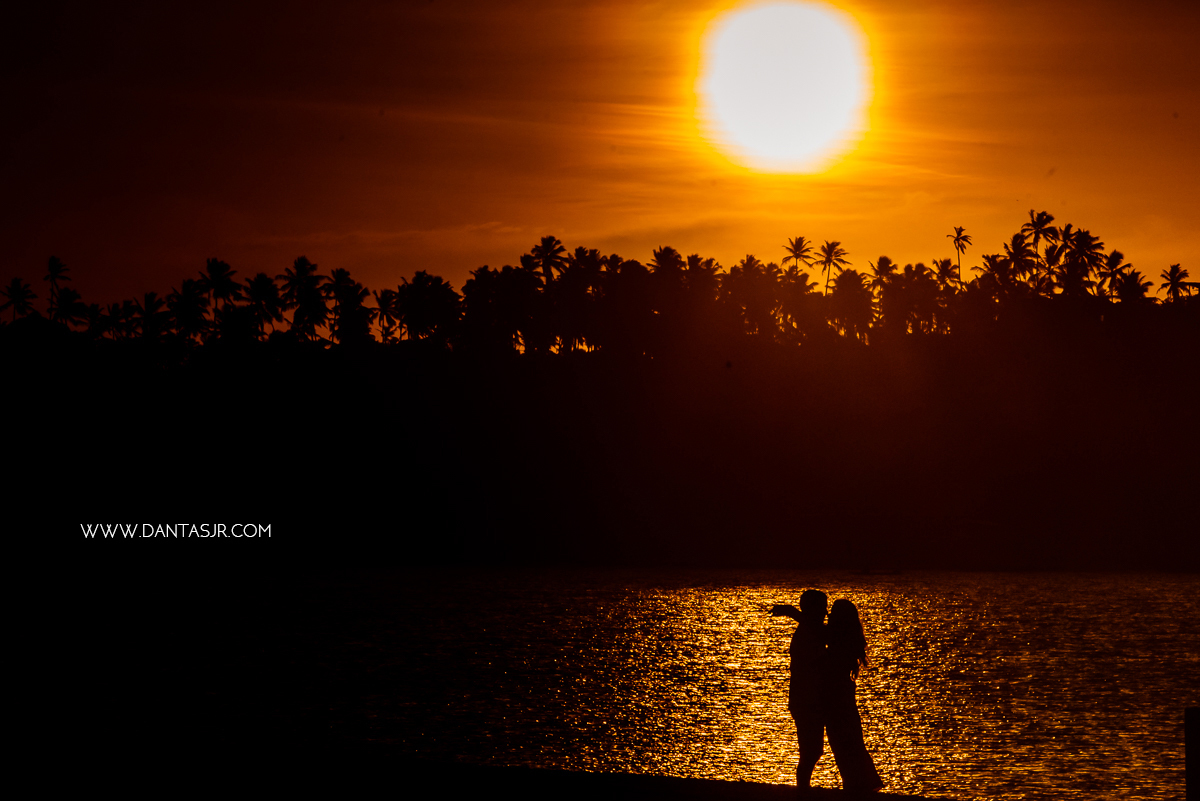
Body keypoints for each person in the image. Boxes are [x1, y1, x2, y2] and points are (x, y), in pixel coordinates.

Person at [771, 589, 829, 791]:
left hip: (806, 698)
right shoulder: (810, 630)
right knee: (811, 749)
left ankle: (803, 787)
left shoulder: (809, 628)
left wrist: (792, 612)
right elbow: (821, 633)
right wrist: (792, 612)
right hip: (806, 699)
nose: (825, 612)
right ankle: (803, 789)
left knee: (812, 749)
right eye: (822, 607)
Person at [825, 599, 883, 793]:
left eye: (832, 612)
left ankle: (856, 785)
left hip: (837, 696)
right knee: (851, 741)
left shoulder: (837, 639)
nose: (828, 615)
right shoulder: (846, 638)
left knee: (843, 742)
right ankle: (861, 783)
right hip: (845, 695)